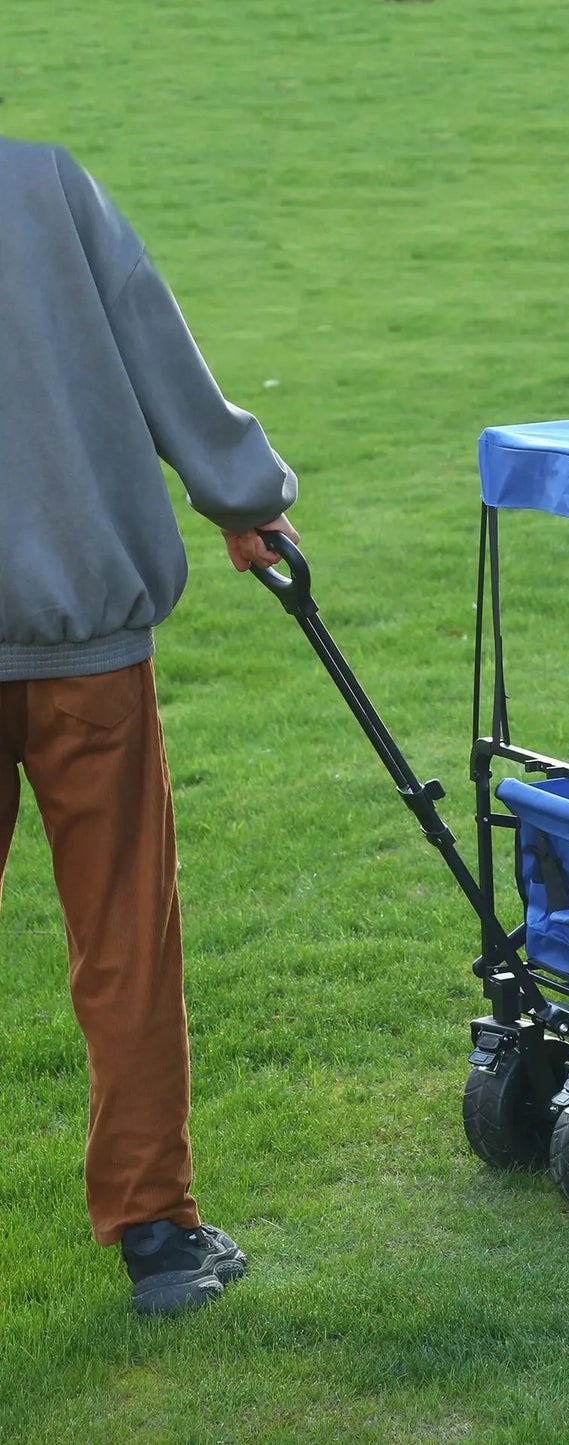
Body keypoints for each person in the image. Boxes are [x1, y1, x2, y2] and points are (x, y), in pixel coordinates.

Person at [0, 135, 298, 1315]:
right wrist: (243, 498)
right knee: (124, 934)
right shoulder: (43, 179)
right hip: (87, 630)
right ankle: (157, 1235)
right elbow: (150, 335)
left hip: (85, 640)